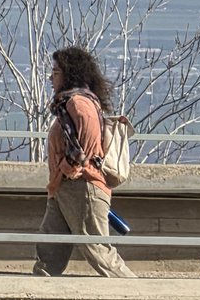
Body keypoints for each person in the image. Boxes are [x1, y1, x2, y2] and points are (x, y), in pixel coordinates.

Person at [34, 47, 135, 278]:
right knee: (49, 249)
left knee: (98, 251)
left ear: (69, 74)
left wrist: (65, 170)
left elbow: (85, 149)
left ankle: (137, 292)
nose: (51, 77)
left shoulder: (79, 104)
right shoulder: (72, 104)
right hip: (65, 187)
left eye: (56, 72)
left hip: (81, 186)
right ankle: (40, 288)